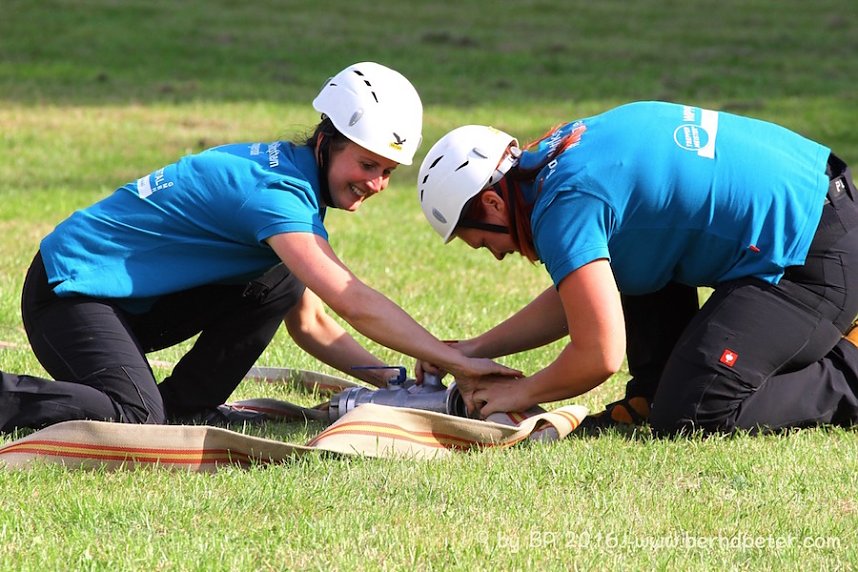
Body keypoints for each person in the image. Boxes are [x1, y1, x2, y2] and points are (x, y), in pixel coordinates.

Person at [0, 61, 518, 433]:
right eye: (367, 164)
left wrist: (393, 380)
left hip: (122, 300)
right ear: (328, 139)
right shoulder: (274, 196)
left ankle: (189, 408)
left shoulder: (290, 178)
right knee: (136, 417)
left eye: (386, 171)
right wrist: (458, 360)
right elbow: (351, 299)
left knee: (280, 279)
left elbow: (310, 322)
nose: (377, 183)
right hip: (68, 292)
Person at [415, 101, 858, 435]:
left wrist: (522, 392)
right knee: (629, 267)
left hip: (813, 255)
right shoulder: (562, 154)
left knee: (694, 410)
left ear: (492, 202)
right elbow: (585, 295)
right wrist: (470, 350)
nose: (495, 254)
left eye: (484, 241)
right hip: (819, 209)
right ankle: (651, 391)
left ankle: (850, 366)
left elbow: (599, 355)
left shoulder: (564, 205)